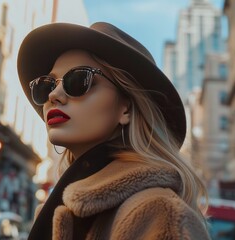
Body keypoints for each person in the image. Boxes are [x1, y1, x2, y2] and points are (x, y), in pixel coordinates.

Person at [17, 22, 210, 240]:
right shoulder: (54, 211)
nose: (54, 95)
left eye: (79, 80)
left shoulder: (160, 214)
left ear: (126, 108)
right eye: (48, 84)